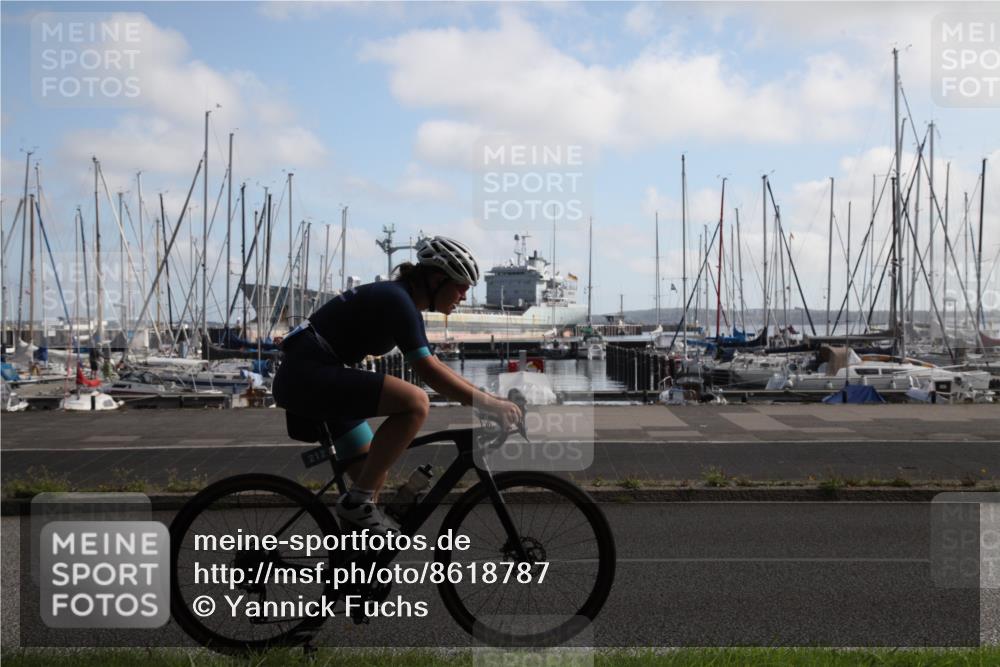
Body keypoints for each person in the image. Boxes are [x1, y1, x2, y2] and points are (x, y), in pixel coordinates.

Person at [272, 236, 522, 534]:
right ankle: (357, 505)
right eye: (461, 286)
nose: (464, 296)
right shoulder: (397, 301)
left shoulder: (403, 300)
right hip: (308, 377)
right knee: (415, 403)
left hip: (311, 376)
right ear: (438, 279)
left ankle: (354, 567)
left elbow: (436, 364)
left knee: (372, 474)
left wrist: (486, 397)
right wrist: (490, 405)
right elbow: (428, 373)